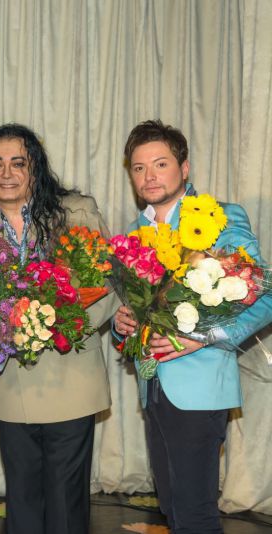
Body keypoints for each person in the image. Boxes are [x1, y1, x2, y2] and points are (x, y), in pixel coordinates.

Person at [113, 120, 272, 533]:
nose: (149, 176)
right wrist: (121, 324)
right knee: (172, 509)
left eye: (160, 164)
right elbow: (138, 307)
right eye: (139, 167)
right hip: (153, 387)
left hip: (200, 387)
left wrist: (203, 338)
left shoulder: (220, 218)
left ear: (184, 168)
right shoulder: (134, 233)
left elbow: (264, 295)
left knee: (196, 516)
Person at [0, 124, 117, 534]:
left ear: (36, 169)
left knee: (65, 504)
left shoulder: (75, 213)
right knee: (23, 502)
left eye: (18, 163)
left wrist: (58, 326)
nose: (7, 173)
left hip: (72, 375)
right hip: (14, 384)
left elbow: (107, 286)